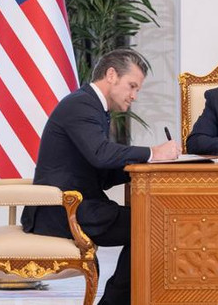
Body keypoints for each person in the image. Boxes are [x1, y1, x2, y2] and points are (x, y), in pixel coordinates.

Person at [21, 49, 180, 305]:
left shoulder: (91, 106)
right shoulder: (80, 105)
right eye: (132, 86)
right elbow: (100, 154)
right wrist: (153, 153)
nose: (134, 96)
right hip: (63, 210)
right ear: (111, 75)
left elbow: (100, 172)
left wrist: (145, 167)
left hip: (78, 204)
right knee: (153, 226)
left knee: (152, 222)